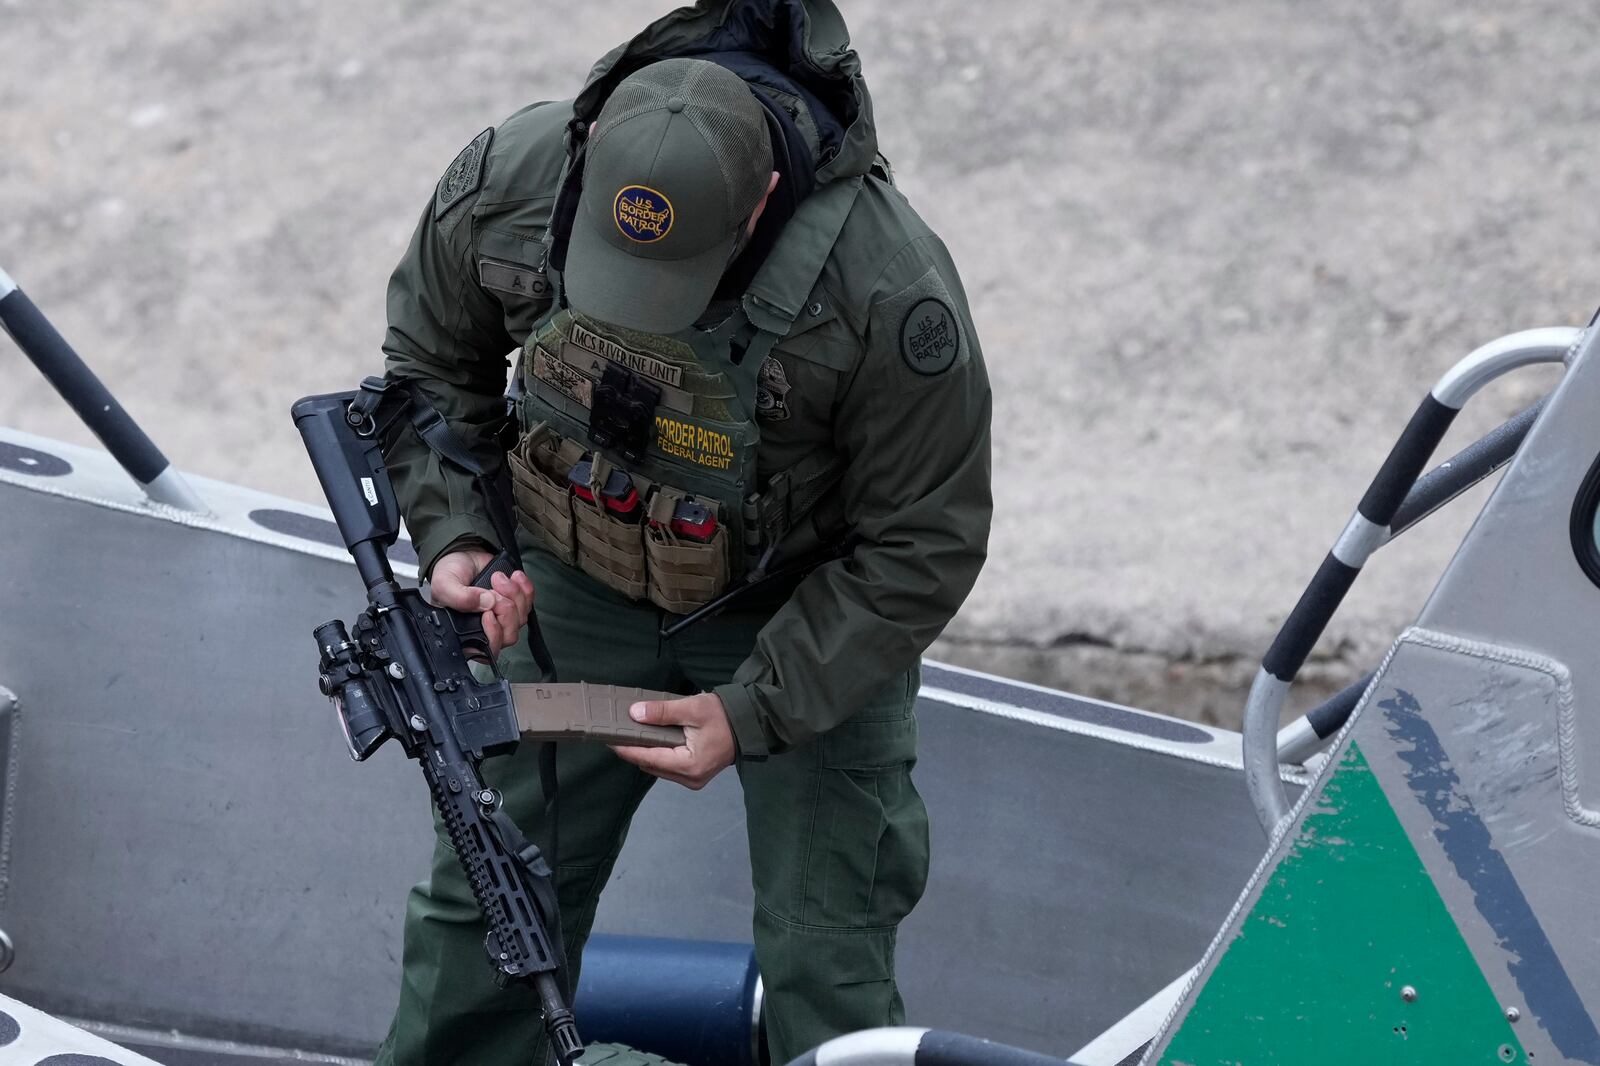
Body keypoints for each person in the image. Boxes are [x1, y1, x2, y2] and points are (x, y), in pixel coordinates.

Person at [372, 2, 992, 1063]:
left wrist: (755, 708)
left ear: (760, 204)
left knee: (826, 952)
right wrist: (457, 541)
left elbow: (921, 542)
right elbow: (430, 373)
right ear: (591, 150)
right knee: (488, 900)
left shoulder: (889, 291)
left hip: (801, 616)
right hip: (569, 587)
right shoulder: (509, 181)